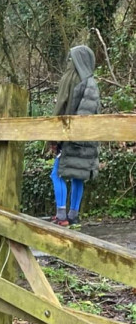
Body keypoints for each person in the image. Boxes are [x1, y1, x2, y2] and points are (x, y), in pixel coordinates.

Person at [49, 45, 100, 227]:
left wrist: (54, 137)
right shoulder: (91, 83)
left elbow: (61, 109)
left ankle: (61, 215)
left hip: (71, 137)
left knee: (57, 174)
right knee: (78, 176)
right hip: (89, 140)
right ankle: (73, 215)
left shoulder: (70, 79)